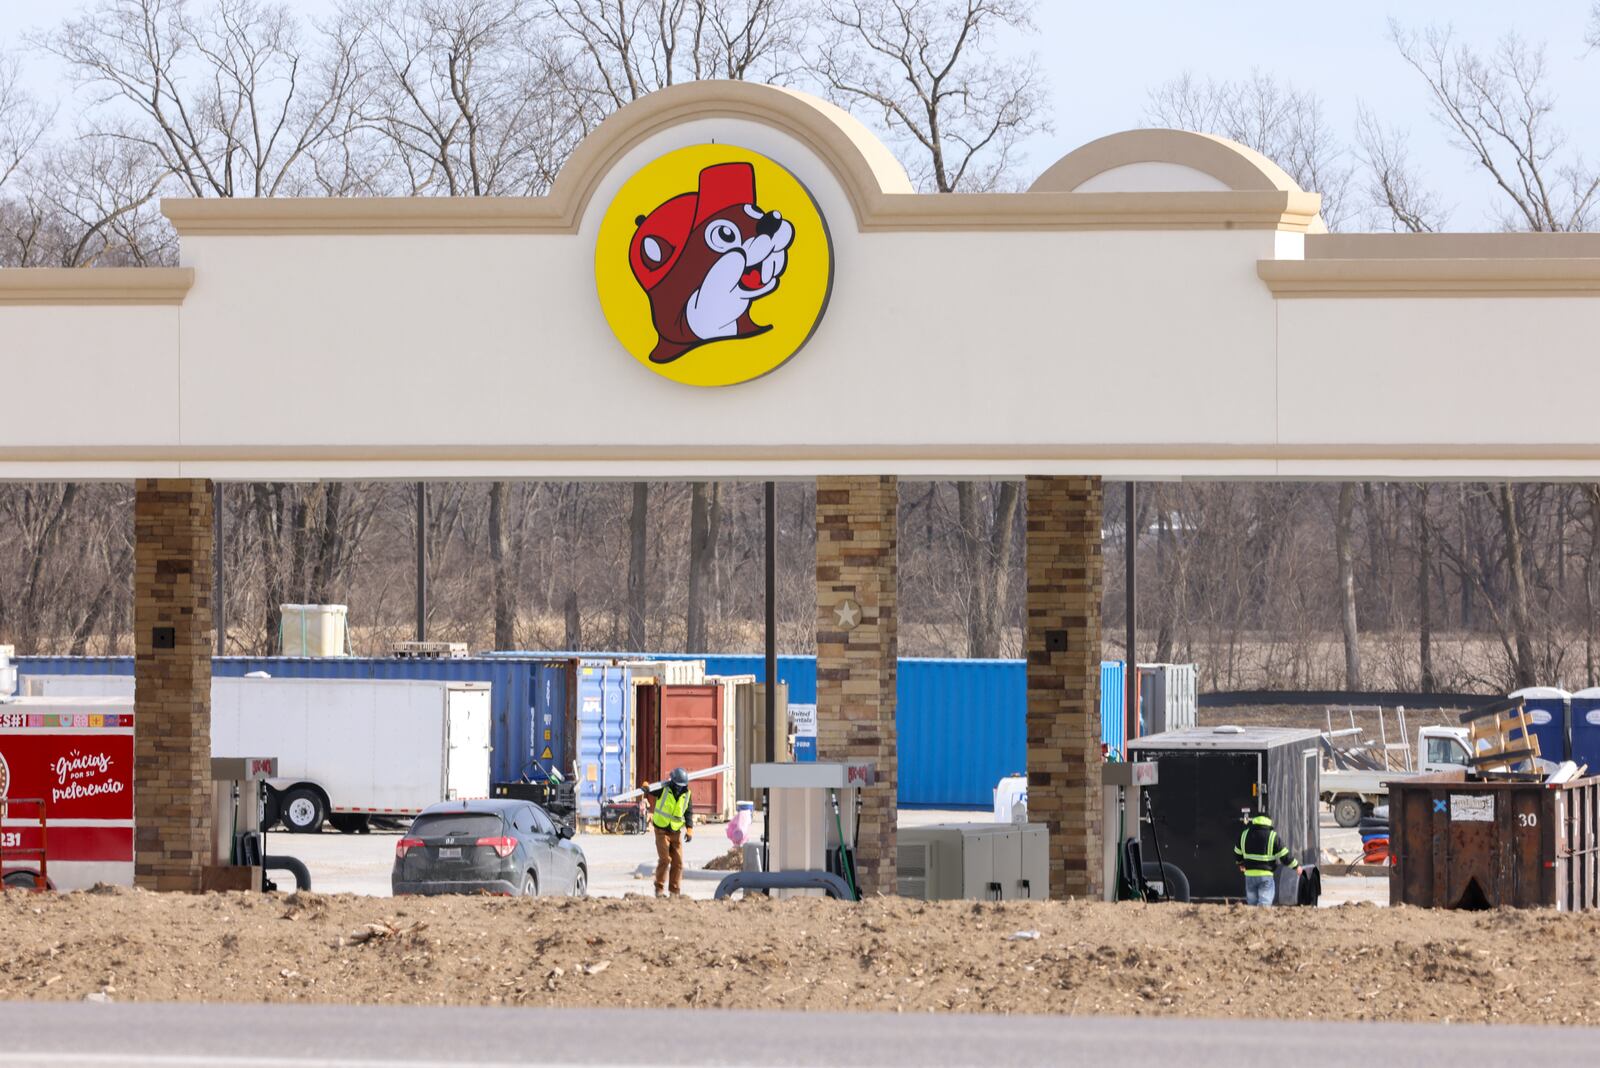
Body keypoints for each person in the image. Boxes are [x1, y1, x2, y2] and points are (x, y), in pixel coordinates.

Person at [644, 766, 695, 898]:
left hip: (676, 832)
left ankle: (674, 892)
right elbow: (651, 790)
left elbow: (688, 812)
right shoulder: (664, 788)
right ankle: (659, 889)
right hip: (661, 831)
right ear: (672, 782)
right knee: (665, 859)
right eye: (677, 785)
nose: (678, 788)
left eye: (681, 786)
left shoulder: (687, 794)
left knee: (678, 862)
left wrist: (689, 829)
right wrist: (647, 787)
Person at [1234, 812, 1298, 907]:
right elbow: (1284, 855)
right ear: (1269, 821)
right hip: (1265, 876)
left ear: (1254, 821)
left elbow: (1237, 852)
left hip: (1249, 875)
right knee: (1264, 905)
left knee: (1251, 905)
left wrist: (1240, 863)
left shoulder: (1244, 834)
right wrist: (1296, 866)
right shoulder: (1272, 836)